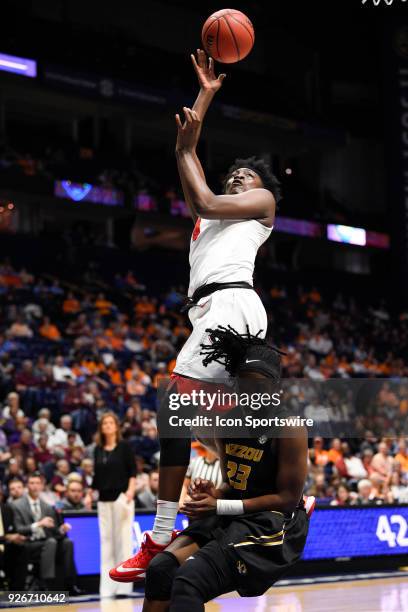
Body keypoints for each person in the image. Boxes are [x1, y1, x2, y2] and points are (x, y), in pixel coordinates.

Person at [110, 48, 281, 580]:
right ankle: (291, 494)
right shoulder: (207, 224)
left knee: (174, 404)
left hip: (233, 305)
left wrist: (191, 143)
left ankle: (160, 533)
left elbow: (203, 191)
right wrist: (203, 97)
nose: (240, 178)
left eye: (248, 175)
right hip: (211, 311)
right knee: (224, 423)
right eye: (236, 173)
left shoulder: (262, 207)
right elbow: (194, 173)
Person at [139, 326, 314, 610]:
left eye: (257, 387)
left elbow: (287, 499)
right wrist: (215, 493)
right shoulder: (227, 422)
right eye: (243, 385)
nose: (249, 394)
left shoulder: (289, 427)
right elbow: (234, 484)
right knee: (160, 570)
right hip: (233, 513)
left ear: (275, 387)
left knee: (188, 582)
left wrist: (220, 506)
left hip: (270, 523)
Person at [85, 412, 136, 597]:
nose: (107, 425)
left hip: (122, 498)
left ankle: (124, 587)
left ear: (116, 426)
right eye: (104, 423)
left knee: (123, 542)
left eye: (110, 423)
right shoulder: (97, 449)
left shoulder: (124, 447)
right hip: (103, 500)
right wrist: (90, 493)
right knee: (106, 544)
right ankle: (107, 588)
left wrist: (131, 491)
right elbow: (97, 476)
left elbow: (133, 471)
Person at [12, 472, 79, 593]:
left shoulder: (47, 506)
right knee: (51, 542)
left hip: (47, 542)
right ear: (27, 486)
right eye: (32, 483)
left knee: (67, 542)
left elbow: (53, 530)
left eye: (38, 483)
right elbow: (18, 529)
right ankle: (46, 583)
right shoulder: (16, 505)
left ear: (42, 486)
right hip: (28, 542)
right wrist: (39, 524)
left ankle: (70, 583)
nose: (35, 486)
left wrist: (61, 529)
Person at [0, 497, 28, 590]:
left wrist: (18, 537)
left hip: (6, 546)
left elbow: (14, 529)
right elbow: (7, 536)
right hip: (3, 542)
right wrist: (7, 537)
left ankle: (17, 593)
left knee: (21, 549)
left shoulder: (7, 509)